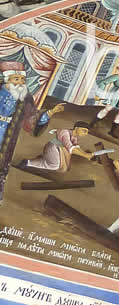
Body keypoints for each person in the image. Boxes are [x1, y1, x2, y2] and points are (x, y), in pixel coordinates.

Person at [0, 62, 64, 203]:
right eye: (16, 79)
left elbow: (32, 119)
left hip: (7, 135)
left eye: (22, 80)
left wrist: (50, 112)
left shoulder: (24, 98)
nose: (20, 83)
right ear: (7, 79)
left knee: (2, 162)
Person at [17, 121, 93, 172]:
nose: (85, 134)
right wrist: (85, 155)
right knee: (54, 166)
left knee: (63, 166)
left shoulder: (74, 137)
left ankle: (42, 159)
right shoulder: (65, 133)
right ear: (76, 128)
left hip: (58, 150)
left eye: (86, 132)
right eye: (84, 130)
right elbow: (70, 148)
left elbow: (76, 147)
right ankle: (28, 162)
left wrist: (85, 154)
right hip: (52, 148)